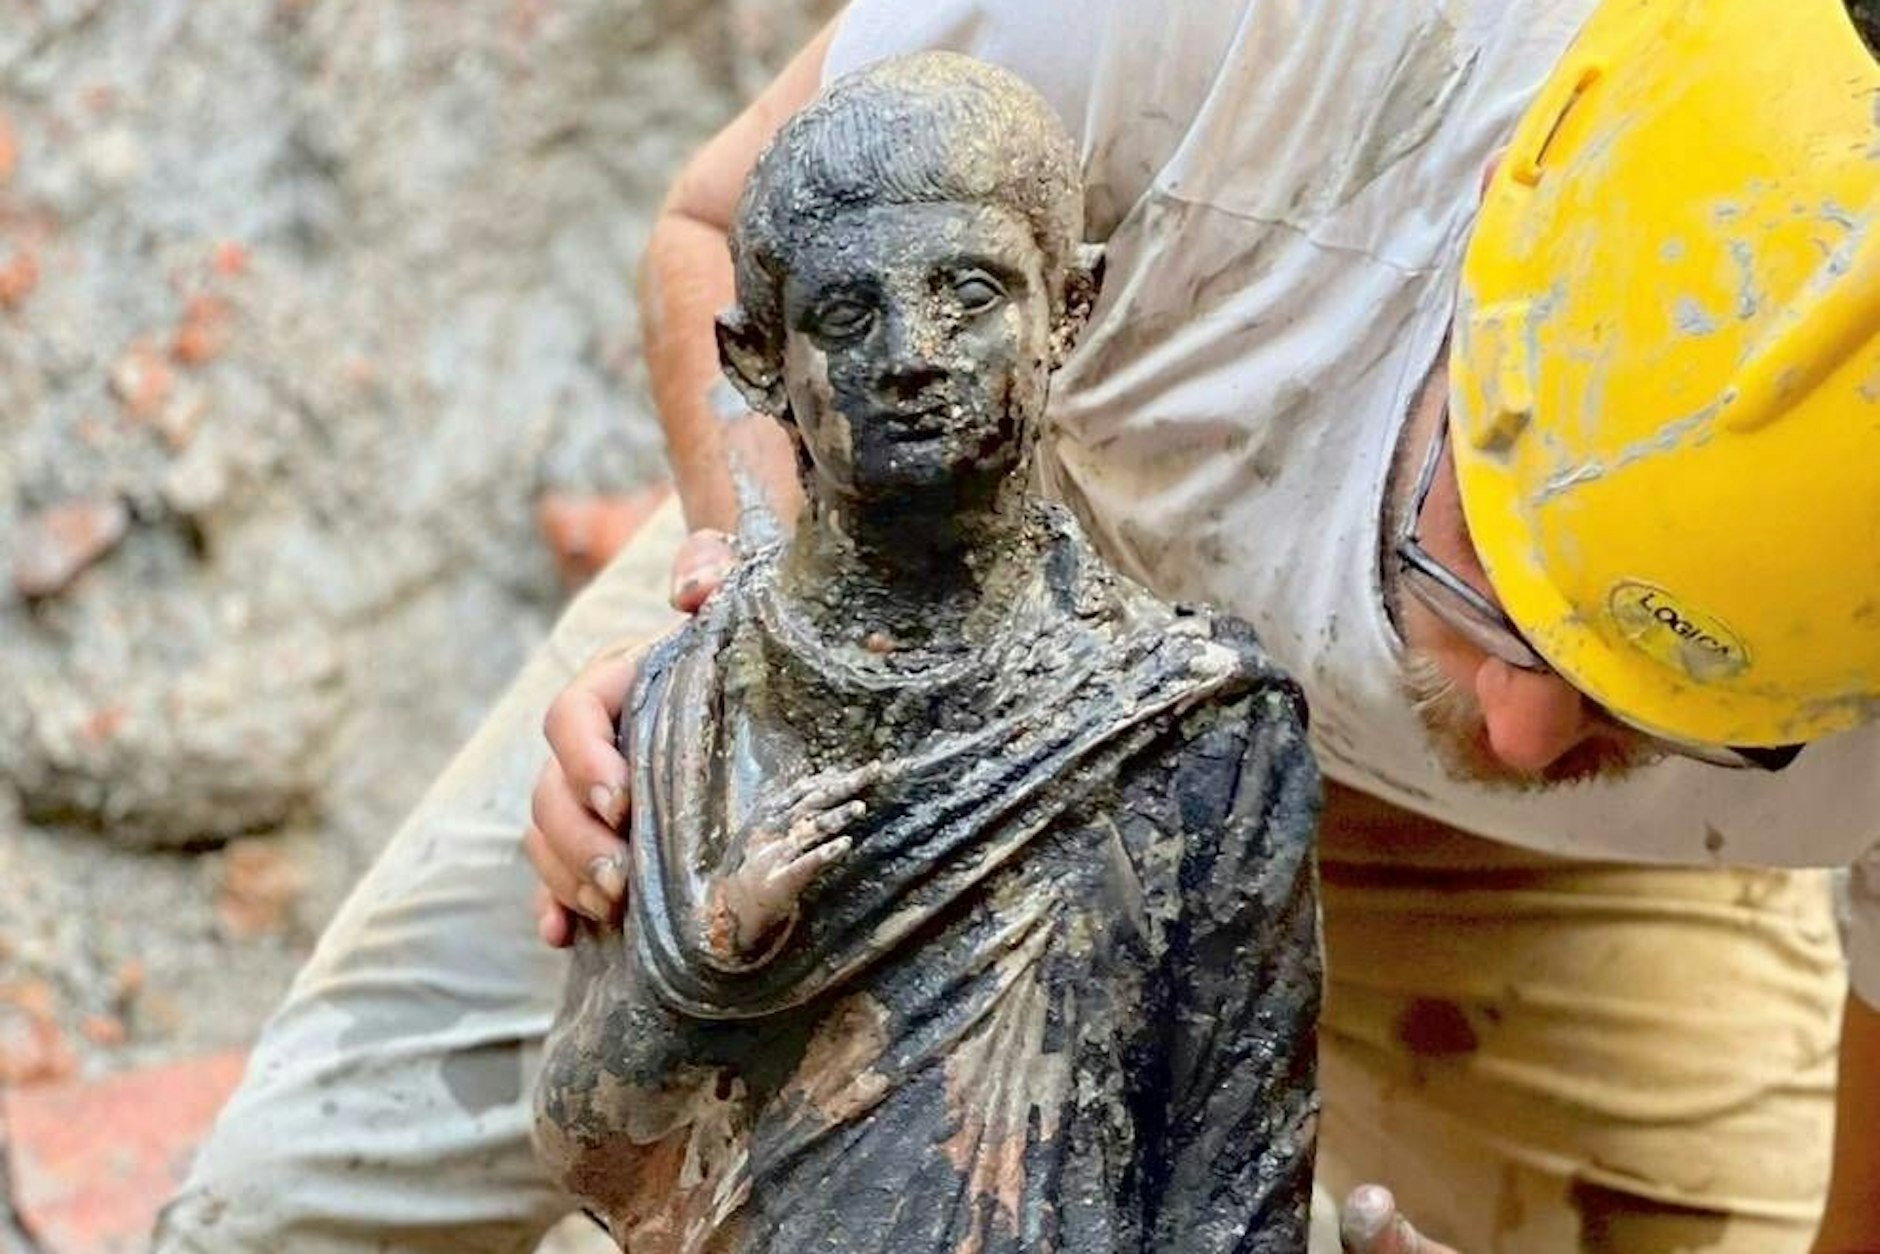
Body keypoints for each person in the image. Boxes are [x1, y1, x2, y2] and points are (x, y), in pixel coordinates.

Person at [155, 0, 1880, 1251]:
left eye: (1663, 708)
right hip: (917, 594)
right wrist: (739, 669)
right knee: (296, 1200)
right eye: (1495, 585)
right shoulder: (1275, 44)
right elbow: (712, 224)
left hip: (1544, 899)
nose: (1519, 732)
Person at [535, 53, 1320, 1252]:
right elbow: (590, 1144)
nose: (911, 351)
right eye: (847, 314)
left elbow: (1232, 1185)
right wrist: (702, 975)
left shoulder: (1192, 725)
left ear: (1067, 308)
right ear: (758, 361)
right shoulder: (689, 711)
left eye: (968, 293)